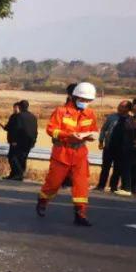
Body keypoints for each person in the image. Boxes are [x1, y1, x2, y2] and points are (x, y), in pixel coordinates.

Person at [37, 81, 99, 226]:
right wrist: (67, 135)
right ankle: (42, 201)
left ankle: (80, 214)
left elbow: (94, 129)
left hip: (80, 154)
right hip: (62, 153)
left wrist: (92, 135)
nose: (85, 103)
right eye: (82, 100)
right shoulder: (60, 111)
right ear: (74, 97)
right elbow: (51, 130)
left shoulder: (90, 114)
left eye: (88, 101)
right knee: (53, 183)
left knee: (81, 185)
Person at [96, 100, 130, 192]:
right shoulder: (111, 117)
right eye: (119, 105)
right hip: (109, 146)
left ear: (128, 109)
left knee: (117, 168)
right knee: (105, 167)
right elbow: (104, 129)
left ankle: (113, 187)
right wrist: (101, 140)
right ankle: (101, 185)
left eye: (123, 106)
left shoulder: (130, 119)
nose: (119, 107)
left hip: (121, 148)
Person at [1, 100, 37, 180]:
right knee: (22, 159)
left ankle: (19, 174)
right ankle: (14, 175)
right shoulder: (33, 117)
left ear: (20, 107)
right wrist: (34, 141)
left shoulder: (18, 116)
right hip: (29, 142)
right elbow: (35, 130)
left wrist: (13, 140)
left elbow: (16, 129)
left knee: (12, 157)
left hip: (18, 142)